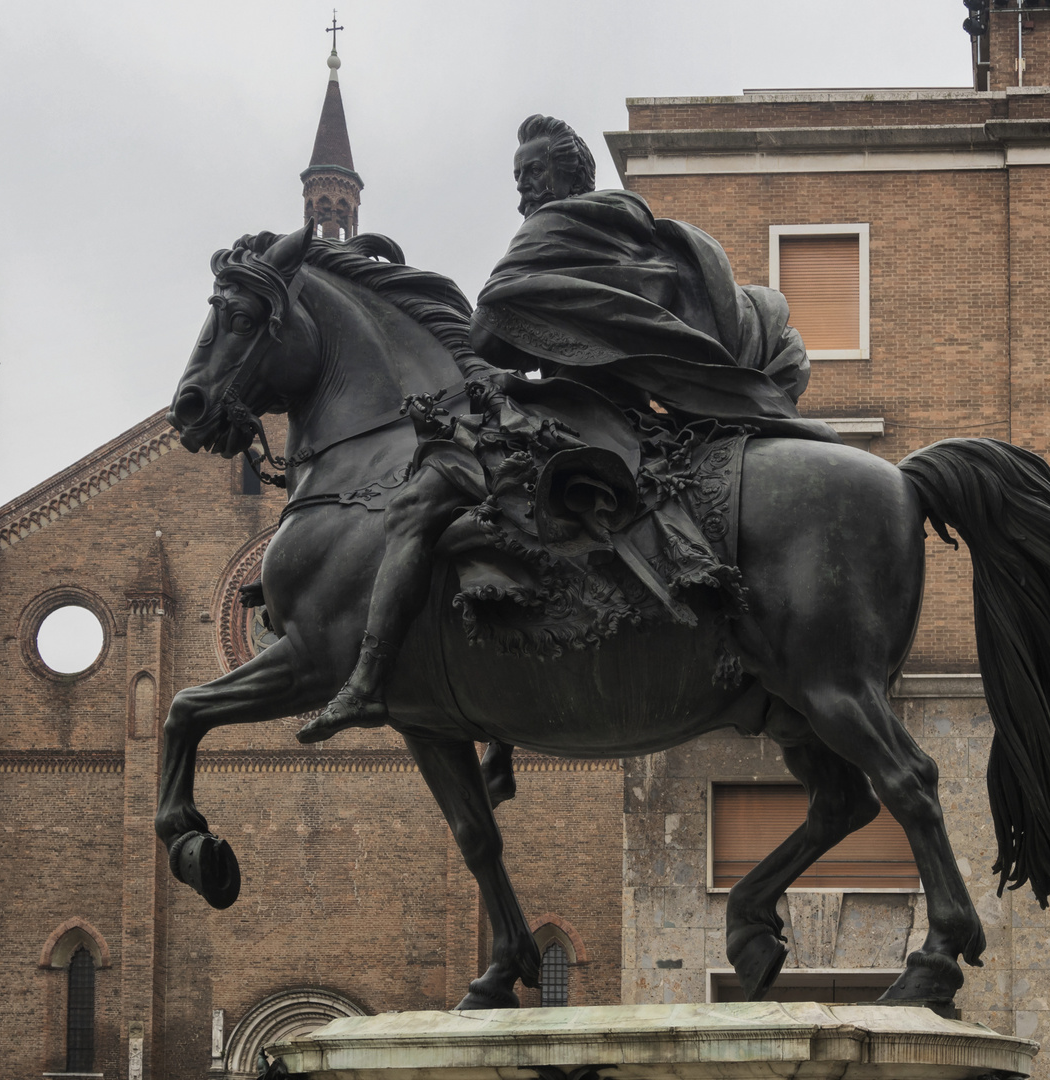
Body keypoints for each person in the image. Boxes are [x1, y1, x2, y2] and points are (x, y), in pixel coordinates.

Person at [301, 115, 838, 742]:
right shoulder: (629, 232)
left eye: (534, 173)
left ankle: (368, 680)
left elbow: (487, 340)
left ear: (568, 175)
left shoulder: (553, 230)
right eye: (519, 176)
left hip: (577, 419)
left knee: (418, 504)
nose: (524, 189)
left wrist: (427, 320)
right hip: (627, 419)